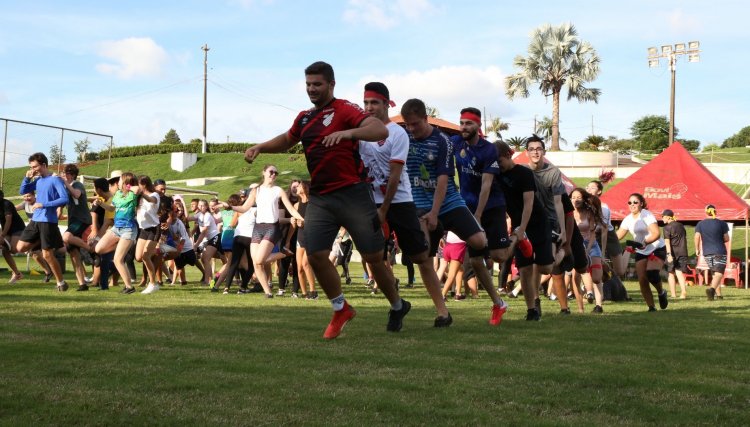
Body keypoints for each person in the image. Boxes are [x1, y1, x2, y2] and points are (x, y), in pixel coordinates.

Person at [244, 61, 410, 339]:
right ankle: (340, 307)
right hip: (321, 197)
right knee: (316, 255)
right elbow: (287, 139)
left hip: (353, 194)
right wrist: (261, 146)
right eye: (308, 84)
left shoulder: (345, 109)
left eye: (317, 84)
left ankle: (396, 305)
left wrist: (348, 132)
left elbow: (379, 131)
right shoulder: (305, 118)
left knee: (373, 258)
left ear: (331, 85)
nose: (312, 89)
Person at [400, 98, 508, 325]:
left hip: (485, 206)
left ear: (478, 126)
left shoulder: (486, 150)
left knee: (486, 249)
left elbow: (486, 185)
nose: (463, 127)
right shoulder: (455, 141)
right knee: (425, 258)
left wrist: (477, 215)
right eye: (461, 123)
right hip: (440, 205)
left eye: (469, 123)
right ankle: (444, 313)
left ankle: (516, 243)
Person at [359, 83, 452, 326]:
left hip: (399, 201)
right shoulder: (360, 134)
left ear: (386, 104)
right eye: (366, 102)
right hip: (372, 202)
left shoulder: (397, 133)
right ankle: (397, 305)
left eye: (374, 103)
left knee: (421, 257)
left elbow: (395, 175)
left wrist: (383, 209)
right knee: (373, 257)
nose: (369, 107)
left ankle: (443, 312)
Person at [494, 141, 553, 320]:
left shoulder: (524, 173)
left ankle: (561, 254)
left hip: (537, 222)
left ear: (507, 155)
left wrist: (522, 228)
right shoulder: (496, 176)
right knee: (525, 269)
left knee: (544, 267)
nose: (498, 165)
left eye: (499, 160)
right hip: (519, 226)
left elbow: (528, 204)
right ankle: (532, 309)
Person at [16, 153, 69, 291]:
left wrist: (43, 204)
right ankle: (43, 243)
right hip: (35, 220)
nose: (33, 169)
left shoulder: (55, 179)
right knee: (21, 248)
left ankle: (61, 282)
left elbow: (64, 199)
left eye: (35, 166)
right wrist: (27, 178)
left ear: (44, 165)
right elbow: (23, 190)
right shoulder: (38, 180)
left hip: (48, 221)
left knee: (47, 255)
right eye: (31, 167)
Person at [616, 193, 669, 311]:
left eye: (635, 202)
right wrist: (603, 237)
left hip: (656, 247)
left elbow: (656, 233)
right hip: (641, 250)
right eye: (630, 202)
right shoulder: (628, 219)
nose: (632, 205)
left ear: (641, 204)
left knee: (652, 274)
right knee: (642, 279)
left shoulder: (646, 215)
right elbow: (618, 235)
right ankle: (651, 307)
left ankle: (661, 293)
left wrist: (645, 242)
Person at [94, 172, 139, 294]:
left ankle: (129, 287)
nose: (117, 183)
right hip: (116, 229)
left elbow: (137, 187)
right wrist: (101, 204)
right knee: (98, 248)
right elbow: (111, 209)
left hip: (128, 230)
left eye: (119, 181)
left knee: (118, 259)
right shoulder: (117, 194)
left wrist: (128, 186)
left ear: (125, 183)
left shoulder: (133, 195)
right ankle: (118, 249)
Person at [570, 188, 605, 313]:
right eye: (573, 197)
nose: (576, 200)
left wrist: (588, 249)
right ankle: (580, 308)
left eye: (579, 197)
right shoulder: (568, 213)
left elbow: (593, 234)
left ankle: (599, 305)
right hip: (575, 246)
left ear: (584, 199)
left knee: (596, 278)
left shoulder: (589, 212)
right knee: (575, 277)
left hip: (591, 245)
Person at [61, 164, 93, 291]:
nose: (64, 175)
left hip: (82, 219)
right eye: (64, 173)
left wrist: (65, 183)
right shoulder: (66, 187)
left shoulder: (77, 184)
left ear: (72, 174)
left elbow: (76, 195)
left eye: (66, 173)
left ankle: (90, 250)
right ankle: (82, 284)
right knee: (73, 252)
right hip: (73, 221)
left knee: (67, 237)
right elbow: (62, 201)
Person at [586, 180, 626, 277]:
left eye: (592, 187)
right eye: (587, 187)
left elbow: (604, 231)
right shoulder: (584, 206)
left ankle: (628, 251)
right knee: (596, 264)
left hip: (609, 236)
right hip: (592, 235)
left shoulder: (603, 208)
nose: (589, 189)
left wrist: (603, 252)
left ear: (599, 191)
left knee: (619, 272)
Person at [694, 204, 730, 301]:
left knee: (714, 274)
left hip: (707, 252)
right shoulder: (722, 223)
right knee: (719, 273)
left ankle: (719, 295)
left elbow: (697, 237)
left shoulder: (700, 224)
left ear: (706, 212)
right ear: (715, 211)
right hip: (719, 251)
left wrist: (697, 249)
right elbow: (726, 238)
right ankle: (711, 290)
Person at [16, 192, 53, 281]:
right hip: (34, 232)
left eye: (29, 196)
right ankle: (48, 273)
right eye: (25, 196)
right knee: (35, 254)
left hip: (44, 230)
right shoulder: (25, 204)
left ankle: (55, 273)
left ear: (34, 196)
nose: (27, 198)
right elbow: (14, 208)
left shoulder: (39, 204)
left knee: (48, 253)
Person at [134, 176, 161, 294]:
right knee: (139, 257)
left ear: (144, 185)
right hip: (143, 229)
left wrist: (141, 194)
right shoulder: (138, 198)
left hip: (154, 229)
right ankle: (157, 250)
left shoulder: (155, 195)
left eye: (139, 184)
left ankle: (152, 284)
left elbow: (152, 200)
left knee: (145, 256)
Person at [661, 209, 688, 299]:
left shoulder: (667, 228)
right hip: (683, 251)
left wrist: (668, 254)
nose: (662, 219)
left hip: (672, 253)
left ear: (668, 217)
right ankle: (683, 292)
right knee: (679, 272)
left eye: (663, 217)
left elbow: (667, 242)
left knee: (671, 273)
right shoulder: (681, 226)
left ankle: (673, 294)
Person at [0, 189, 26, 283]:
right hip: (7, 231)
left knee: (13, 250)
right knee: (4, 250)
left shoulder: (7, 204)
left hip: (17, 229)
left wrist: (2, 235)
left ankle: (28, 246)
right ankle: (17, 273)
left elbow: (8, 220)